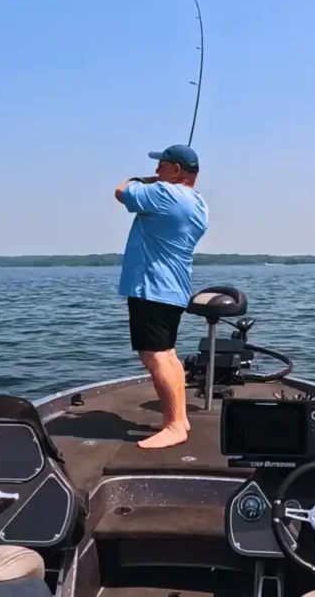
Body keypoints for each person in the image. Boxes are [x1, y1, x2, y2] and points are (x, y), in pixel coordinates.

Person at [114, 144, 208, 449]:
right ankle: (180, 418)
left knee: (154, 355)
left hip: (151, 287)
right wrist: (161, 181)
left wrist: (144, 179)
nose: (156, 170)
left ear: (177, 170)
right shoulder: (199, 203)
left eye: (162, 165)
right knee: (167, 353)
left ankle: (174, 425)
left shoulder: (164, 193)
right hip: (173, 289)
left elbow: (121, 191)